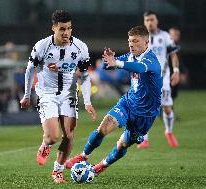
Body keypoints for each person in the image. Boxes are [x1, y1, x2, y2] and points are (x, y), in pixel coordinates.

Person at [65, 26, 162, 175]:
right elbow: (107, 66)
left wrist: (116, 63)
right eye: (129, 41)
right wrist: (108, 60)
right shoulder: (130, 56)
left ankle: (100, 166)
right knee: (103, 128)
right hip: (128, 103)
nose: (131, 44)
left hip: (145, 114)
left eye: (135, 41)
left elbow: (140, 68)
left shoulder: (151, 60)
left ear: (146, 43)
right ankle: (83, 157)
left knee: (122, 145)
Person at [19, 10, 97, 183]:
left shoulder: (80, 47)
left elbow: (84, 75)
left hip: (69, 94)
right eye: (62, 29)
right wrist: (26, 95)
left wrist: (88, 101)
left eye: (69, 28)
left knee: (69, 136)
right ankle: (46, 144)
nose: (66, 33)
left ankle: (57, 170)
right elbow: (30, 70)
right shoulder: (42, 46)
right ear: (53, 28)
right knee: (53, 136)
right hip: (47, 94)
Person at [138, 10, 180, 148]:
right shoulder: (141, 38)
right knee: (145, 107)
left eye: (152, 20)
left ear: (156, 21)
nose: (150, 22)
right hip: (147, 78)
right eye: (147, 20)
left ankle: (169, 132)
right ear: (144, 22)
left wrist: (176, 71)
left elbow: (173, 55)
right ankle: (144, 139)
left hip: (163, 77)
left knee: (167, 108)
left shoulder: (165, 36)